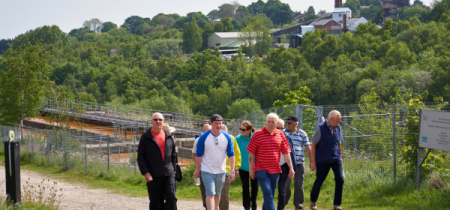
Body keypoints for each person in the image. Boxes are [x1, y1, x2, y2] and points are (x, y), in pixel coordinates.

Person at [247, 113, 295, 210]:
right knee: (268, 192)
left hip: (276, 170)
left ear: (276, 123)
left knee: (270, 195)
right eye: (268, 121)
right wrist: (251, 169)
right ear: (266, 122)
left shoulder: (281, 135)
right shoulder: (257, 134)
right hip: (261, 169)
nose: (270, 123)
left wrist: (291, 168)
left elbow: (286, 152)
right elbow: (251, 153)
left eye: (272, 122)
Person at [194, 114, 236, 210]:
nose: (218, 125)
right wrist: (197, 169)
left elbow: (231, 154)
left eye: (220, 123)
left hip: (221, 170)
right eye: (216, 123)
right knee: (210, 193)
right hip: (206, 170)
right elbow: (198, 155)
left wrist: (232, 170)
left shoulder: (227, 137)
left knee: (217, 194)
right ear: (211, 123)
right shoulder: (204, 137)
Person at [138, 112, 177, 210]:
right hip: (153, 175)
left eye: (160, 119)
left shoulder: (169, 136)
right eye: (155, 120)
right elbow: (141, 157)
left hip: (168, 173)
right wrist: (145, 172)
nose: (158, 121)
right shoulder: (145, 137)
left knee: (171, 196)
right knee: (155, 202)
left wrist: (174, 169)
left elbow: (173, 154)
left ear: (163, 122)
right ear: (151, 122)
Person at [309, 110, 344, 210]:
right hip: (323, 160)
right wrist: (313, 161)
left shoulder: (338, 128)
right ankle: (313, 201)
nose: (340, 121)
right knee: (319, 181)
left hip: (336, 159)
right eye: (338, 119)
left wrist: (340, 158)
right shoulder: (320, 128)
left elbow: (339, 145)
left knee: (340, 179)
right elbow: (313, 145)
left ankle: (337, 204)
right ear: (332, 119)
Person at [284, 116, 312, 210]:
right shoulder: (283, 133)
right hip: (287, 164)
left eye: (289, 123)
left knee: (299, 184)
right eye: (287, 122)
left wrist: (312, 161)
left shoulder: (302, 133)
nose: (287, 124)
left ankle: (298, 203)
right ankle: (285, 199)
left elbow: (308, 148)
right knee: (286, 183)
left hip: (299, 163)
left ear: (296, 124)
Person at [236, 121, 259, 210]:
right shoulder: (238, 138)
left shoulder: (255, 137)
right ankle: (246, 205)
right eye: (240, 129)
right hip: (243, 167)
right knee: (245, 186)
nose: (241, 131)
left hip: (255, 167)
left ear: (249, 130)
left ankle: (253, 203)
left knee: (255, 186)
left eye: (243, 130)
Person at [219, 125, 241, 210]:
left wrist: (236, 169)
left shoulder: (231, 139)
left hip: (226, 171)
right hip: (213, 170)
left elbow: (237, 154)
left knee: (224, 194)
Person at [275, 119, 297, 210]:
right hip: (272, 166)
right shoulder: (268, 137)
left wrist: (292, 168)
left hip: (284, 166)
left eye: (282, 128)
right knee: (270, 189)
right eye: (278, 128)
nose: (280, 130)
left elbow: (292, 153)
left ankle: (280, 208)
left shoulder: (287, 137)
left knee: (282, 188)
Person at [192, 124, 212, 209]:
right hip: (203, 168)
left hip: (213, 169)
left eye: (209, 131)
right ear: (202, 132)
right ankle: (207, 206)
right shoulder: (198, 140)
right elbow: (194, 154)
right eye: (206, 131)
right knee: (204, 189)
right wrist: (198, 167)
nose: (208, 133)